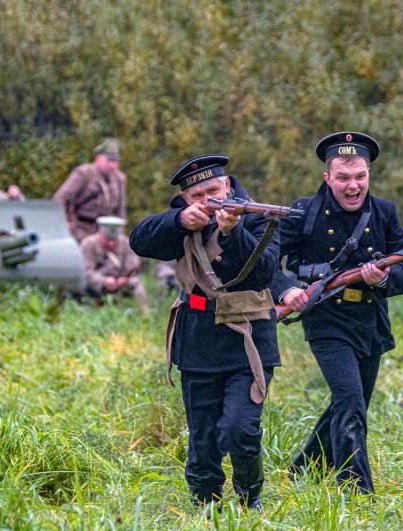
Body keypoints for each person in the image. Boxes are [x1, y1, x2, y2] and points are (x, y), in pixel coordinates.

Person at [270, 131, 403, 494]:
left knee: (350, 403)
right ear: (328, 178)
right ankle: (357, 492)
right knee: (351, 403)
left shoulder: (384, 212)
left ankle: (304, 470)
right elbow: (267, 257)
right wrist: (286, 290)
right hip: (326, 321)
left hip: (370, 323)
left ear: (368, 174)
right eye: (343, 178)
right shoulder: (304, 212)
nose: (353, 186)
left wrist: (384, 280)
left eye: (360, 177)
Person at [129, 155, 281, 512]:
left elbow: (263, 273)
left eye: (213, 190)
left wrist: (232, 232)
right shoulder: (183, 221)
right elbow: (140, 240)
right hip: (198, 340)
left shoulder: (257, 216)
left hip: (249, 343)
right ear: (187, 200)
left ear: (227, 187)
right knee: (203, 438)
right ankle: (204, 505)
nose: (209, 200)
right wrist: (180, 221)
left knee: (241, 429)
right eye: (198, 195)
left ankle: (249, 498)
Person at [53, 138, 126, 242]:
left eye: (115, 161)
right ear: (98, 158)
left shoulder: (119, 178)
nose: (112, 165)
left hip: (106, 234)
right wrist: (62, 224)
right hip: (81, 230)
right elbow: (60, 198)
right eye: (109, 160)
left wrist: (119, 234)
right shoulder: (84, 173)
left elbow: (120, 210)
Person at [80, 216, 150, 314]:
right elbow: (85, 271)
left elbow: (133, 268)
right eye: (108, 239)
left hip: (121, 284)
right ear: (100, 233)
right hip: (96, 286)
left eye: (114, 240)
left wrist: (125, 280)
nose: (111, 243)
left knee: (137, 286)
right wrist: (103, 281)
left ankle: (144, 315)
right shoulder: (88, 244)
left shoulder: (126, 243)